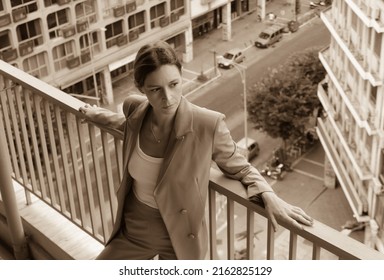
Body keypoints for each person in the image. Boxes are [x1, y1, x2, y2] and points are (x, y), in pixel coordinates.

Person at [79, 41, 313, 260]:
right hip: (134, 228)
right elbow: (126, 125)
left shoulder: (207, 123)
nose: (168, 98)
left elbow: (239, 165)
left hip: (179, 239)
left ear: (181, 77)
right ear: (141, 89)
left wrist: (268, 194)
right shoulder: (134, 108)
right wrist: (95, 114)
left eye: (174, 84)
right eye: (155, 89)